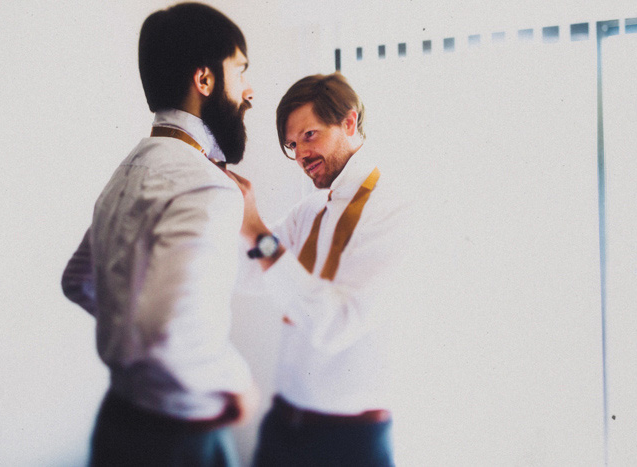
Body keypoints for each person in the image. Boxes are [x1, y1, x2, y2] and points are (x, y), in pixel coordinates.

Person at [61, 3, 257, 465]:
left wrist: (130, 336)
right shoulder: (209, 186)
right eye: (241, 70)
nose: (249, 91)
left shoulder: (129, 168)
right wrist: (239, 381)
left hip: (117, 420)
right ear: (204, 79)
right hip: (179, 441)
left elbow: (77, 280)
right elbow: (175, 332)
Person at [227, 73, 414, 466]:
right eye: (292, 145)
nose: (300, 155)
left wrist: (258, 233)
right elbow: (246, 273)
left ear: (349, 122)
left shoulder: (393, 209)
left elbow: (337, 325)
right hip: (283, 429)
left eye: (309, 135)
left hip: (350, 444)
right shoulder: (310, 210)